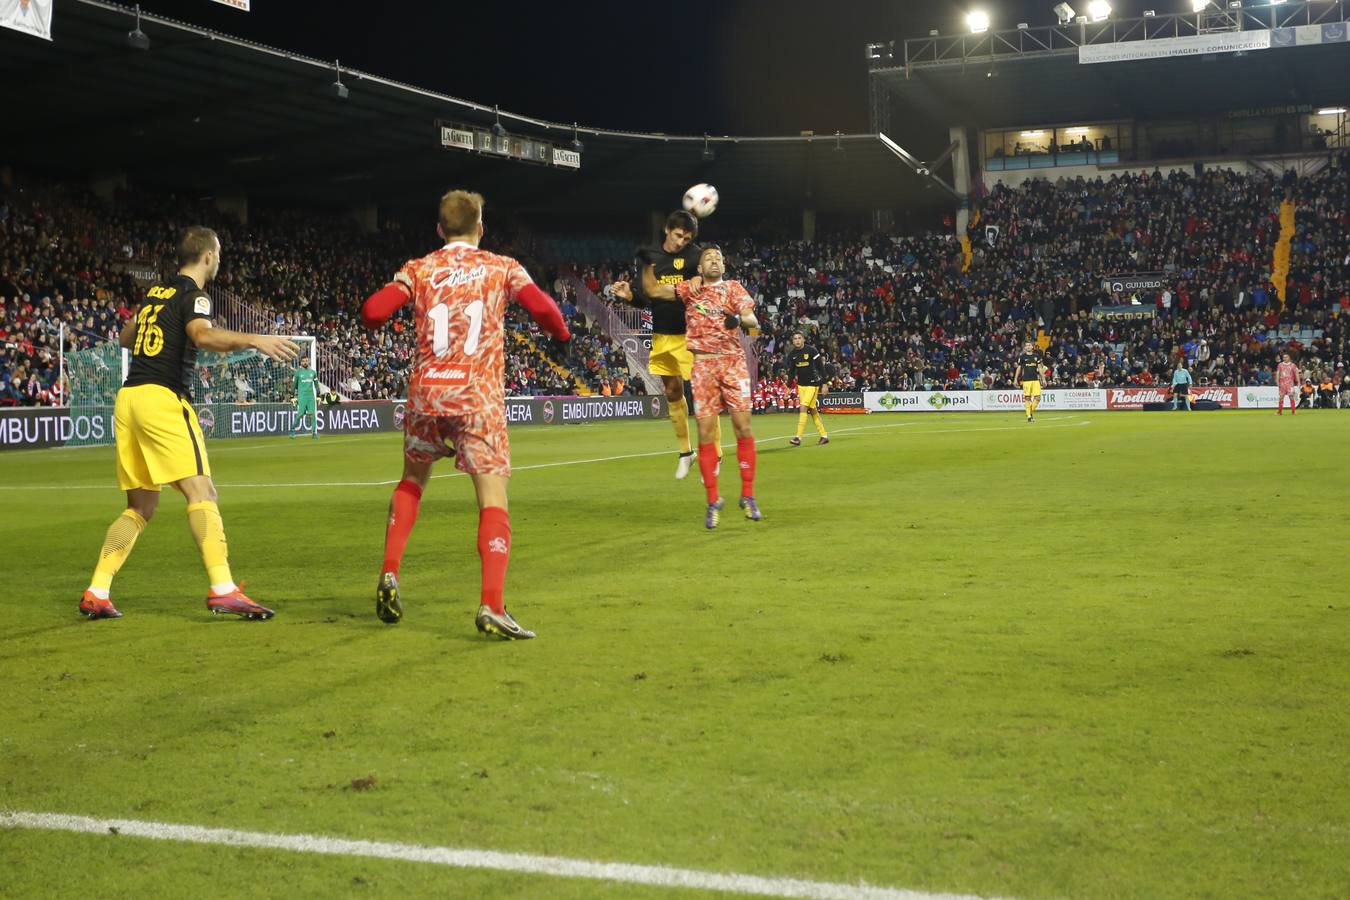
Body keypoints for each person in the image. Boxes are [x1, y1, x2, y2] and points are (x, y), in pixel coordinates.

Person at [360, 189, 570, 638]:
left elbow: (374, 313)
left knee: (412, 482)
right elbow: (546, 311)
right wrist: (562, 334)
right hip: (477, 396)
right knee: (493, 499)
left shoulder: (419, 268)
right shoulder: (501, 267)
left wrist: (404, 290)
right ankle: (492, 604)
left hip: (426, 394)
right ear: (481, 227)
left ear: (439, 230)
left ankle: (391, 570)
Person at [79, 226, 300, 620]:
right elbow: (201, 335)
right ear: (208, 257)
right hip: (162, 398)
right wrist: (254, 339)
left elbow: (126, 337)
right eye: (219, 255)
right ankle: (223, 588)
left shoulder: (155, 293)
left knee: (141, 507)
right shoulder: (194, 296)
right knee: (203, 491)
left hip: (129, 400)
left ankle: (97, 590)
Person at [612, 246, 761, 528]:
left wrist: (739, 319)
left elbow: (753, 320)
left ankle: (748, 495)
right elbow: (655, 292)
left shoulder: (733, 288)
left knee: (743, 427)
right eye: (708, 258)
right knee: (705, 432)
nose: (714, 260)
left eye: (718, 257)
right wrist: (637, 280)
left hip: (732, 363)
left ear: (724, 265)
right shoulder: (688, 290)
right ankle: (713, 500)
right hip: (702, 365)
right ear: (699, 269)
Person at [618, 210, 722, 480]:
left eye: (686, 238)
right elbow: (647, 297)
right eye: (678, 236)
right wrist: (630, 296)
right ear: (667, 230)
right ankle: (686, 453)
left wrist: (703, 278)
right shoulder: (650, 257)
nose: (681, 242)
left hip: (690, 335)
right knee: (673, 392)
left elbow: (713, 275)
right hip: (662, 336)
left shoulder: (694, 255)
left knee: (702, 396)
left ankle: (715, 453)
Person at [783, 331, 831, 446]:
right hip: (801, 385)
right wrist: (789, 388)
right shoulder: (792, 354)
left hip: (812, 384)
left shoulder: (811, 351)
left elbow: (821, 367)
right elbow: (791, 372)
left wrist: (824, 384)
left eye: (799, 338)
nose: (797, 340)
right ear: (792, 341)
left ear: (803, 339)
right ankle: (824, 435)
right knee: (812, 410)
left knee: (803, 407)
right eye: (795, 338)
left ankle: (798, 437)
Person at [1015, 340, 1045, 422]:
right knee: (1027, 398)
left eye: (1029, 345)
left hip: (1035, 380)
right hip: (1026, 380)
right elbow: (1019, 368)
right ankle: (1029, 416)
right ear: (1025, 347)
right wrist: (1015, 379)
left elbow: (1040, 368)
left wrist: (1043, 379)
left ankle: (1029, 413)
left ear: (1032, 347)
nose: (1028, 346)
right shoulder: (1022, 357)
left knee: (1038, 398)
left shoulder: (1036, 356)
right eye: (1026, 345)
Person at [290, 356, 318, 439]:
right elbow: (294, 385)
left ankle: (314, 433)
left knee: (312, 414)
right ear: (301, 363)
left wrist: (319, 395)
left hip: (311, 397)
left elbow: (316, 384)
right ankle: (292, 429)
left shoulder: (313, 372)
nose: (305, 362)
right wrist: (292, 396)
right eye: (303, 361)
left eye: (306, 361)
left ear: (308, 361)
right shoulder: (298, 372)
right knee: (300, 414)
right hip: (301, 396)